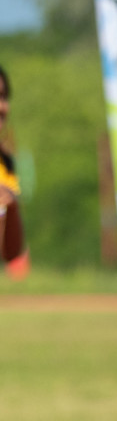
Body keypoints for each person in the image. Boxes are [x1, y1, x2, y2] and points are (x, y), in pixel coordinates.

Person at [0, 64, 26, 272]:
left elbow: (11, 252)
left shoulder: (5, 163)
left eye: (3, 96)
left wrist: (13, 207)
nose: (1, 106)